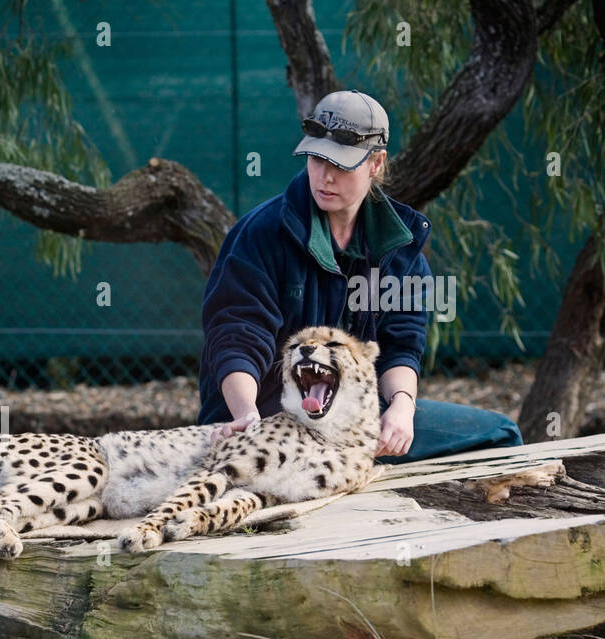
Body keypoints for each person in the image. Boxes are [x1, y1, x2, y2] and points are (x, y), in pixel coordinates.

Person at [198, 90, 523, 463]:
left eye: (342, 163)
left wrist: (401, 409)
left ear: (376, 162)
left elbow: (401, 347)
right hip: (266, 423)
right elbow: (237, 339)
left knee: (500, 436)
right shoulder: (259, 235)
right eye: (317, 159)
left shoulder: (399, 246)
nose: (326, 175)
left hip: (351, 423)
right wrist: (246, 416)